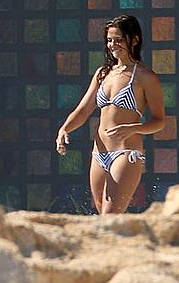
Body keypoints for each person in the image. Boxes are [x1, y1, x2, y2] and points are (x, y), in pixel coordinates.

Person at [56, 15, 165, 214]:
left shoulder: (145, 77)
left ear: (134, 40)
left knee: (110, 216)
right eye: (109, 40)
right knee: (101, 213)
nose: (112, 45)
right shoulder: (103, 74)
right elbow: (83, 110)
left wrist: (132, 128)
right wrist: (64, 129)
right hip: (99, 152)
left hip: (126, 152)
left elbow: (159, 121)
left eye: (118, 39)